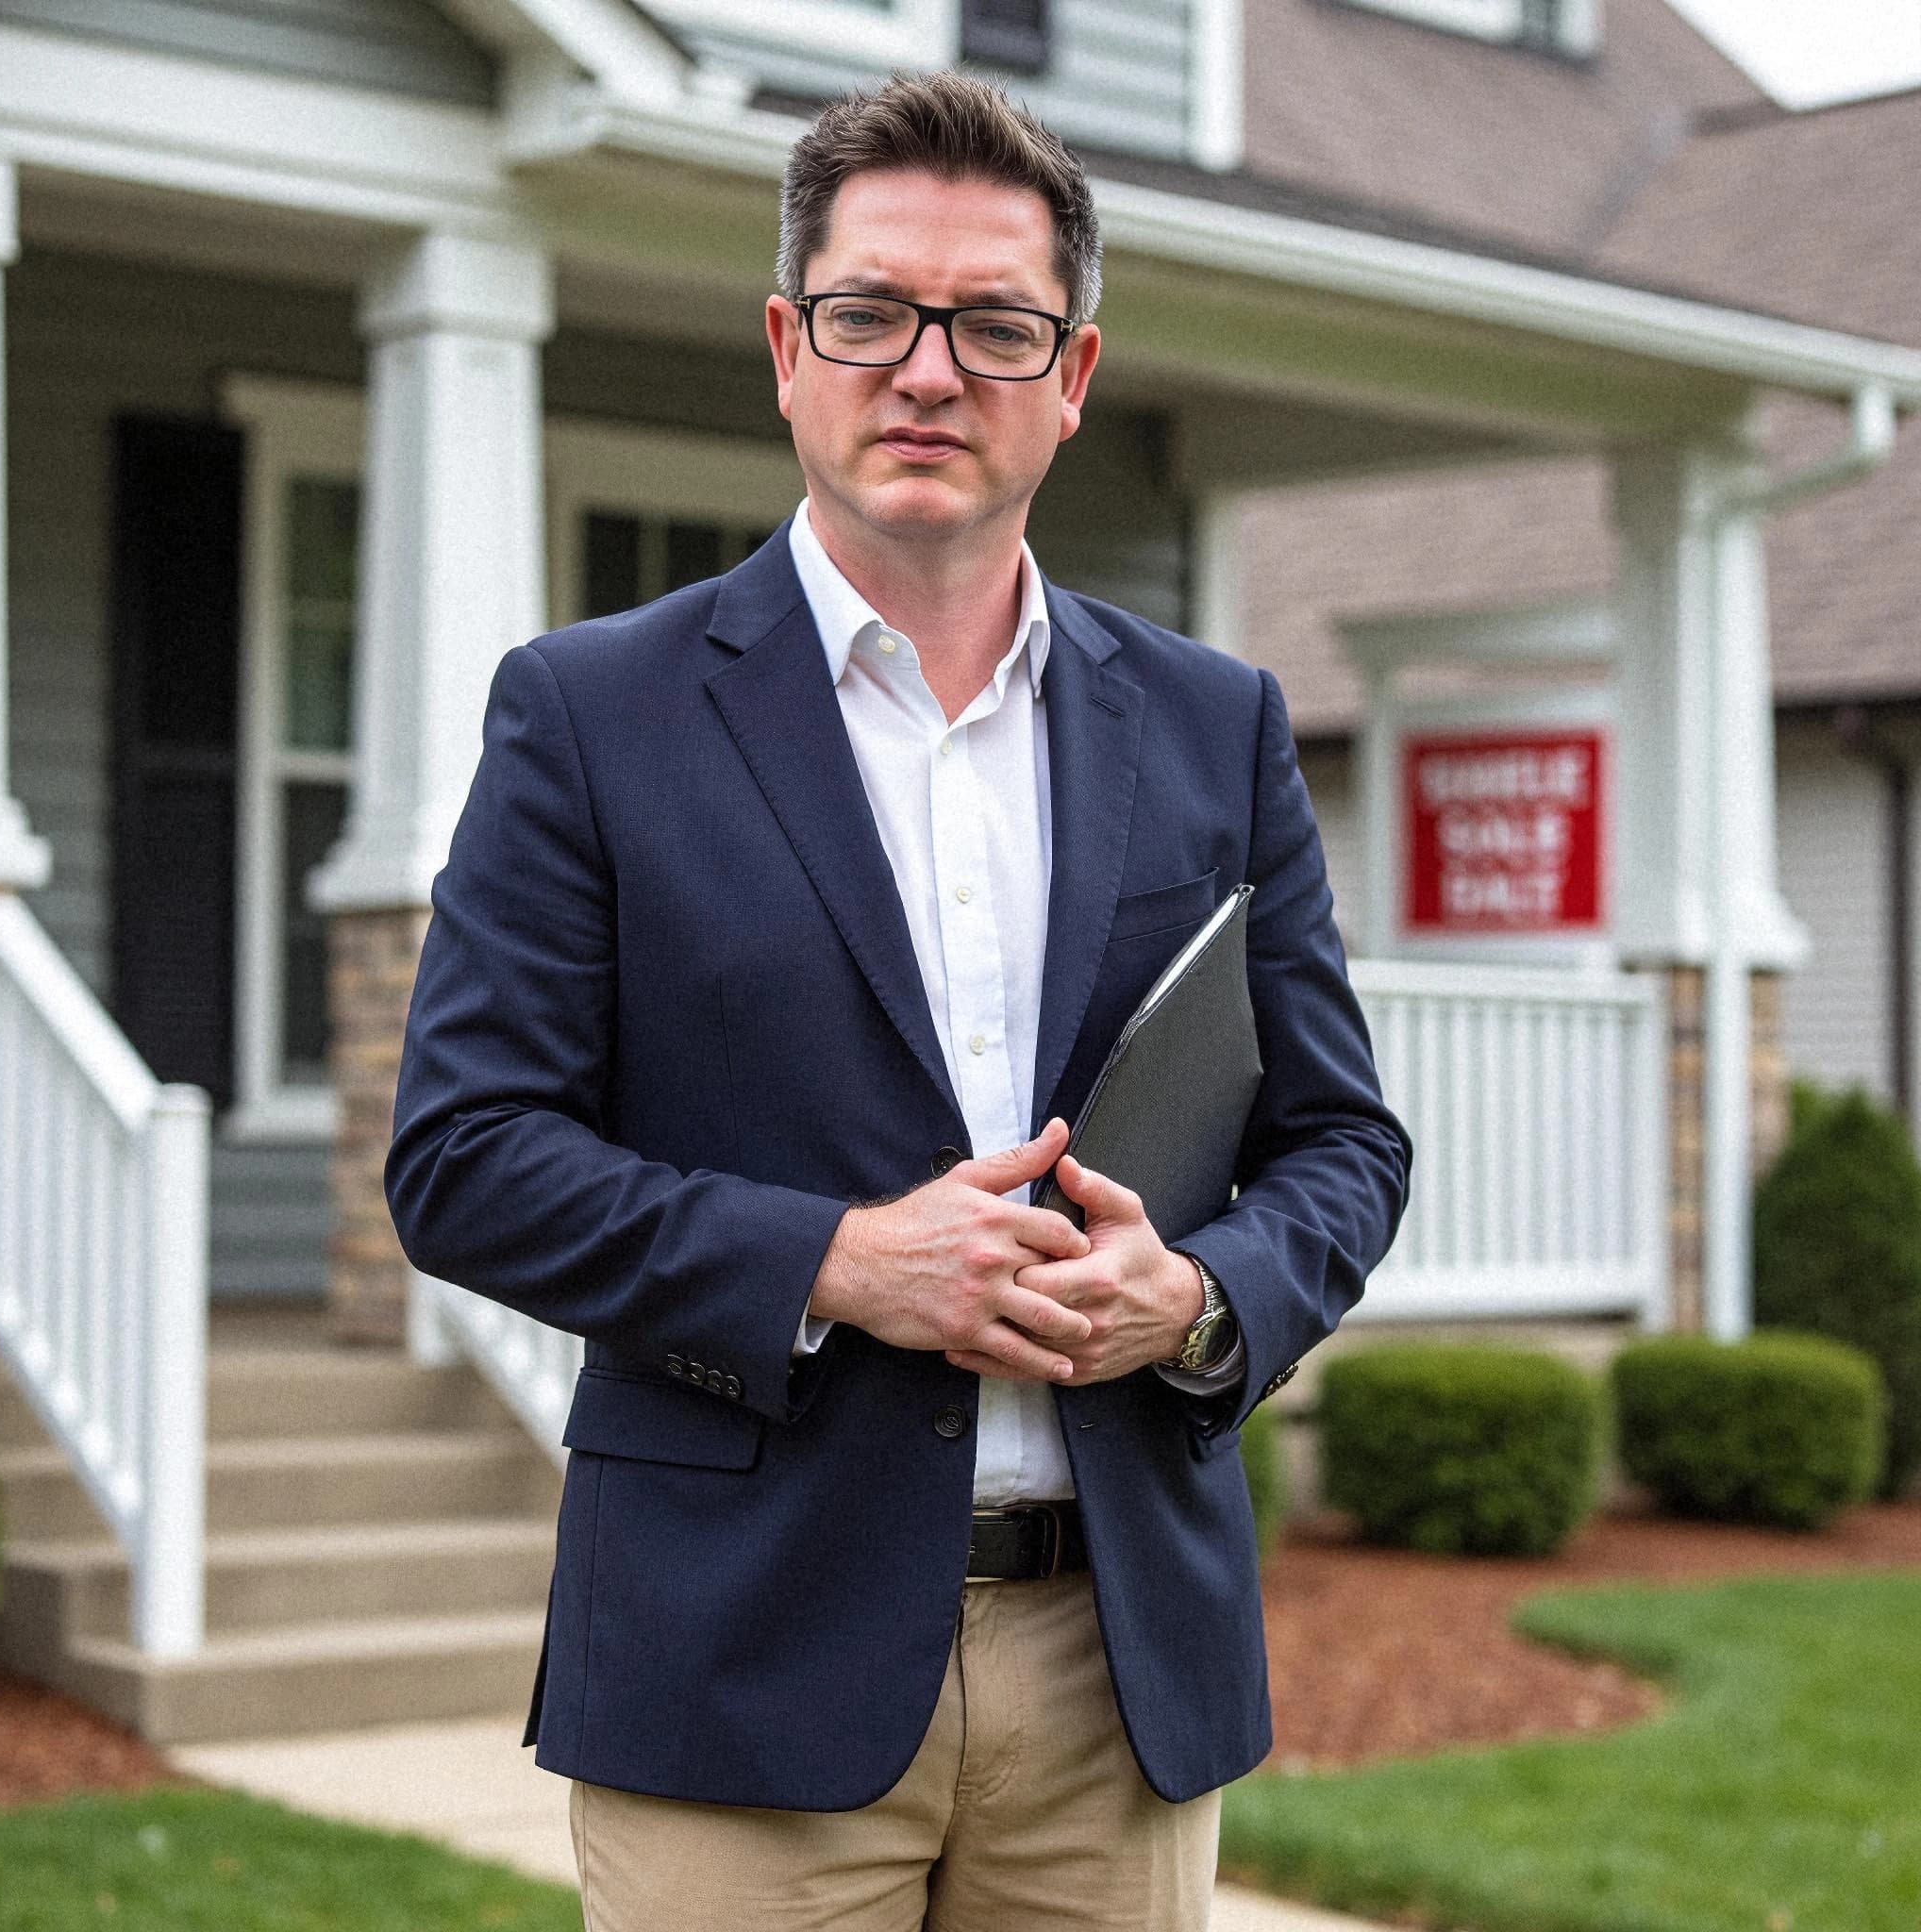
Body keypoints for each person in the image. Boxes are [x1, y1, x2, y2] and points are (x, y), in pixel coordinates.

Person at [385, 71, 1411, 1932]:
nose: (927, 370)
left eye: (995, 326)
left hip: (1120, 1669)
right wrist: (834, 1262)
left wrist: (1195, 1301)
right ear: (789, 345)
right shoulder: (590, 714)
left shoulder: (1211, 726)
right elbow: (462, 1158)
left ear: (1073, 376)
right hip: (736, 1660)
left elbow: (1339, 1141)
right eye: (872, 313)